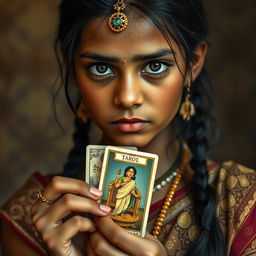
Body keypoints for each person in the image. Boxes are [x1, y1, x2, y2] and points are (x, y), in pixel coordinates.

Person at [0, 0, 256, 255]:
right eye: (101, 69)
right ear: (72, 70)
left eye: (154, 66)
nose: (127, 97)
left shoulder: (241, 201)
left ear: (193, 64)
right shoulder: (34, 216)